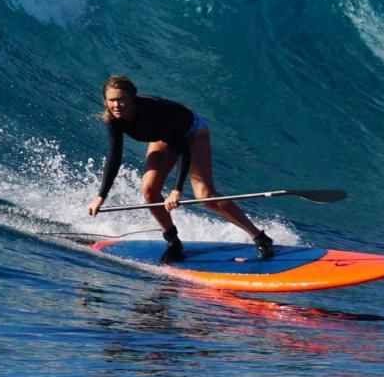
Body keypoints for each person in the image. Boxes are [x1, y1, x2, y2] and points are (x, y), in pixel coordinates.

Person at [85, 75, 274, 262]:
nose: (116, 105)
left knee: (205, 197)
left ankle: (260, 237)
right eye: (111, 100)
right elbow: (115, 156)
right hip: (163, 138)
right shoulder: (114, 120)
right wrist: (100, 197)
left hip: (192, 133)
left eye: (121, 99)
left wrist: (176, 190)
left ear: (132, 98)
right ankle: (173, 242)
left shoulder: (152, 112)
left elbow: (183, 149)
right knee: (149, 190)